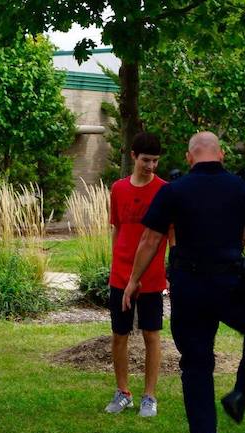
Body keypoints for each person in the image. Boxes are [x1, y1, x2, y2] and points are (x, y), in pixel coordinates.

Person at [122, 131, 245, 433]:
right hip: (231, 282)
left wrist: (134, 280)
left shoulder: (173, 191)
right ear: (221, 155)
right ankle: (242, 392)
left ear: (189, 157)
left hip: (189, 285)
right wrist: (234, 244)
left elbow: (150, 239)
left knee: (196, 359)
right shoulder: (240, 187)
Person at [104, 132, 168, 417]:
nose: (150, 166)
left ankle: (149, 397)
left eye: (155, 161)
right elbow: (118, 227)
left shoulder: (165, 191)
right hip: (121, 275)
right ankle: (123, 392)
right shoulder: (118, 188)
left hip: (152, 276)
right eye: (146, 160)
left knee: (151, 335)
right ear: (133, 156)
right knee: (119, 334)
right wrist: (115, 262)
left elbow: (170, 234)